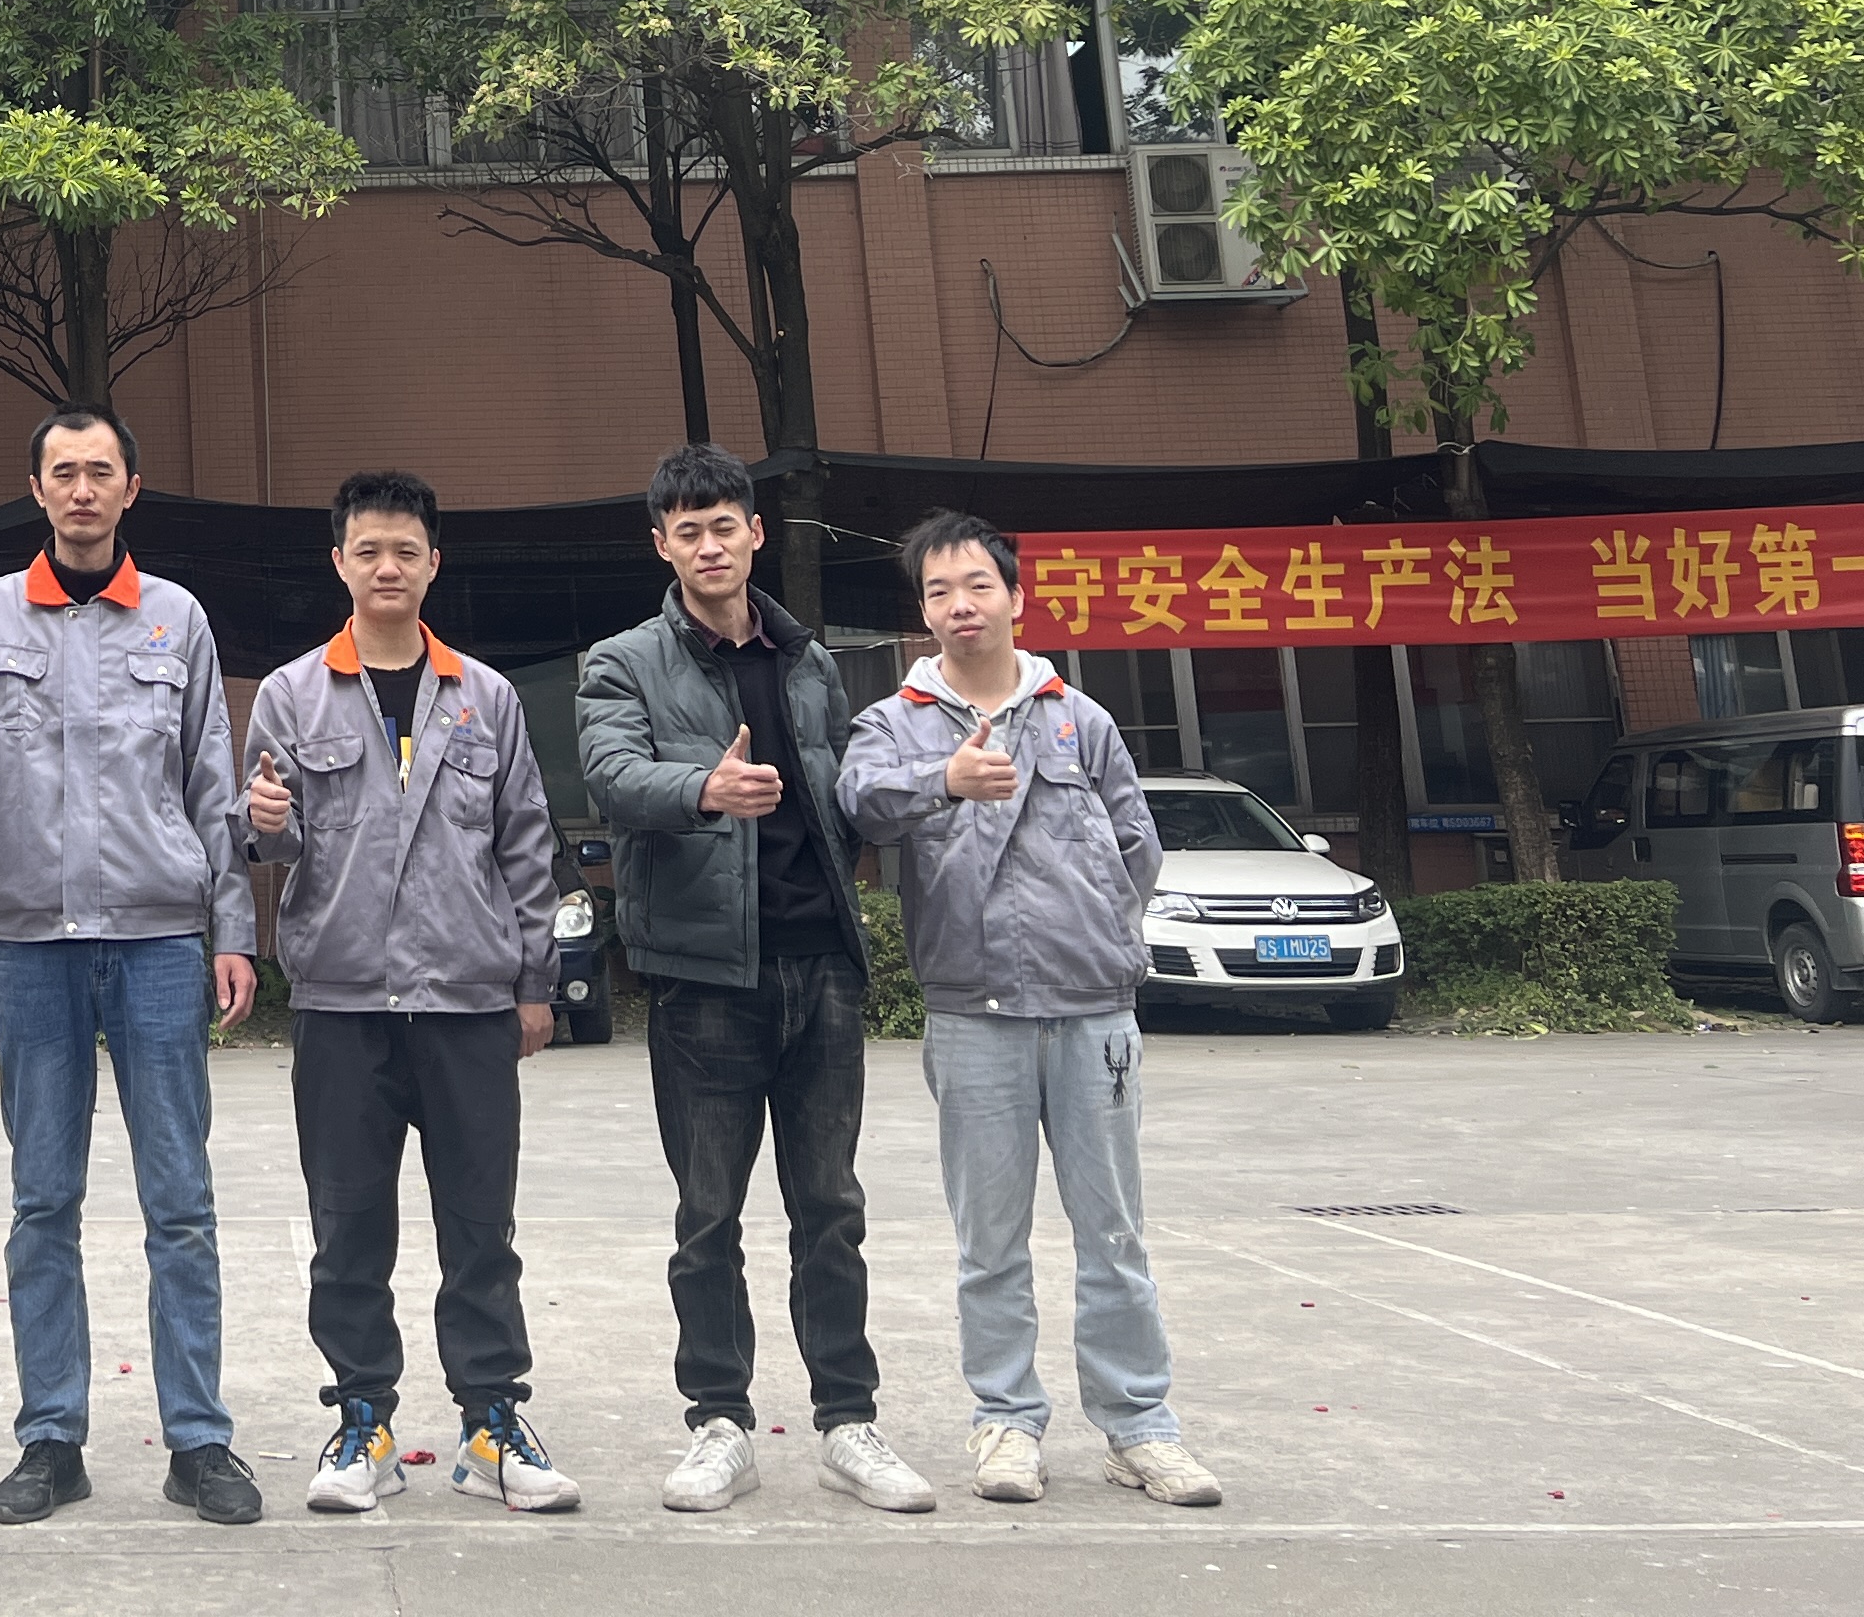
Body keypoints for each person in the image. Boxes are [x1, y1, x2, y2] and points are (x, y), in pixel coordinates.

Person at [0, 406, 264, 1528]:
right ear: (38, 490)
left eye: (102, 471)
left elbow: (211, 778)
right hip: (32, 947)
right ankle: (51, 1438)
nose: (84, 489)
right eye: (65, 472)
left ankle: (199, 1441)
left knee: (180, 1202)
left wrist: (231, 929)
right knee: (43, 1201)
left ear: (131, 489)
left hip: (158, 943)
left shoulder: (177, 618)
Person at [576, 443, 935, 1518]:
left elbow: (847, 793)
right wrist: (705, 788)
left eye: (722, 526)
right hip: (704, 978)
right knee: (708, 1216)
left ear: (754, 533)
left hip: (820, 966)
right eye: (686, 531)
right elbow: (611, 777)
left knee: (831, 1208)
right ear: (662, 546)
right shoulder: (622, 662)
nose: (708, 546)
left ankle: (847, 1422)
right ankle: (719, 1423)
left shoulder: (807, 660)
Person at [839, 512, 1221, 1509]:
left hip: (1094, 1011)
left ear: (1015, 596)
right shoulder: (895, 723)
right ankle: (1005, 1421)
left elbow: (1136, 843)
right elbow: (860, 802)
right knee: (990, 1243)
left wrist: (1098, 934)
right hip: (974, 1014)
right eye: (938, 591)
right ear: (922, 612)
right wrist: (945, 779)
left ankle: (1141, 1428)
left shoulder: (1078, 718)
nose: (959, 605)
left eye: (977, 585)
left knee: (1115, 1234)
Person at [241, 471, 576, 1518]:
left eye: (406, 551)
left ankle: (491, 1422)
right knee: (348, 1229)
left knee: (481, 1228)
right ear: (339, 563)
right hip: (343, 1002)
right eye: (368, 551)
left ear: (434, 564)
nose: (387, 567)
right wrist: (262, 822)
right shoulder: (291, 694)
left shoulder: (487, 696)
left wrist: (535, 984)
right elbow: (270, 839)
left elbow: (526, 844)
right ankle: (362, 1423)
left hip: (468, 1001)